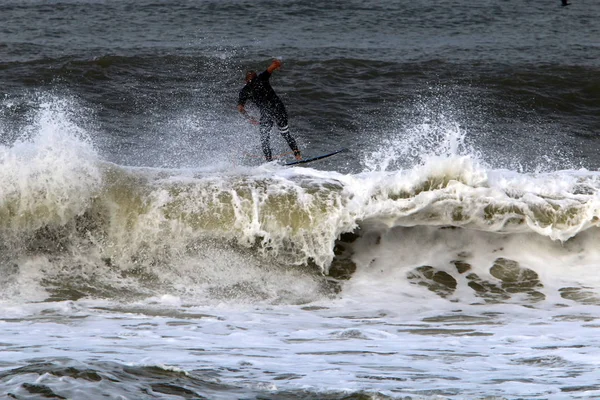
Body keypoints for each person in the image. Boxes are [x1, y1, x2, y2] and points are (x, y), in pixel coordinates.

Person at [237, 59, 302, 162]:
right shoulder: (262, 78)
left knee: (264, 138)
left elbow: (240, 108)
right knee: (285, 134)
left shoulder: (244, 91)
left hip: (266, 114)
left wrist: (249, 118)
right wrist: (277, 64)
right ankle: (298, 156)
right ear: (256, 76)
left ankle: (269, 161)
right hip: (279, 110)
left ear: (245, 80)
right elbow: (275, 64)